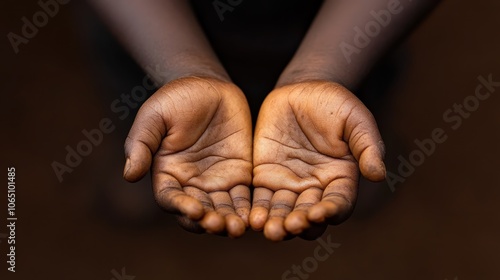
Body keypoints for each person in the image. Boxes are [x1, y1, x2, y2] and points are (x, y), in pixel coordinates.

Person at [89, 0, 439, 241]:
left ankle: (357, 155)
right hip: (151, 30)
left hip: (356, 28)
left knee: (350, 112)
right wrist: (185, 71)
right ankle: (147, 163)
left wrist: (323, 71)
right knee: (153, 111)